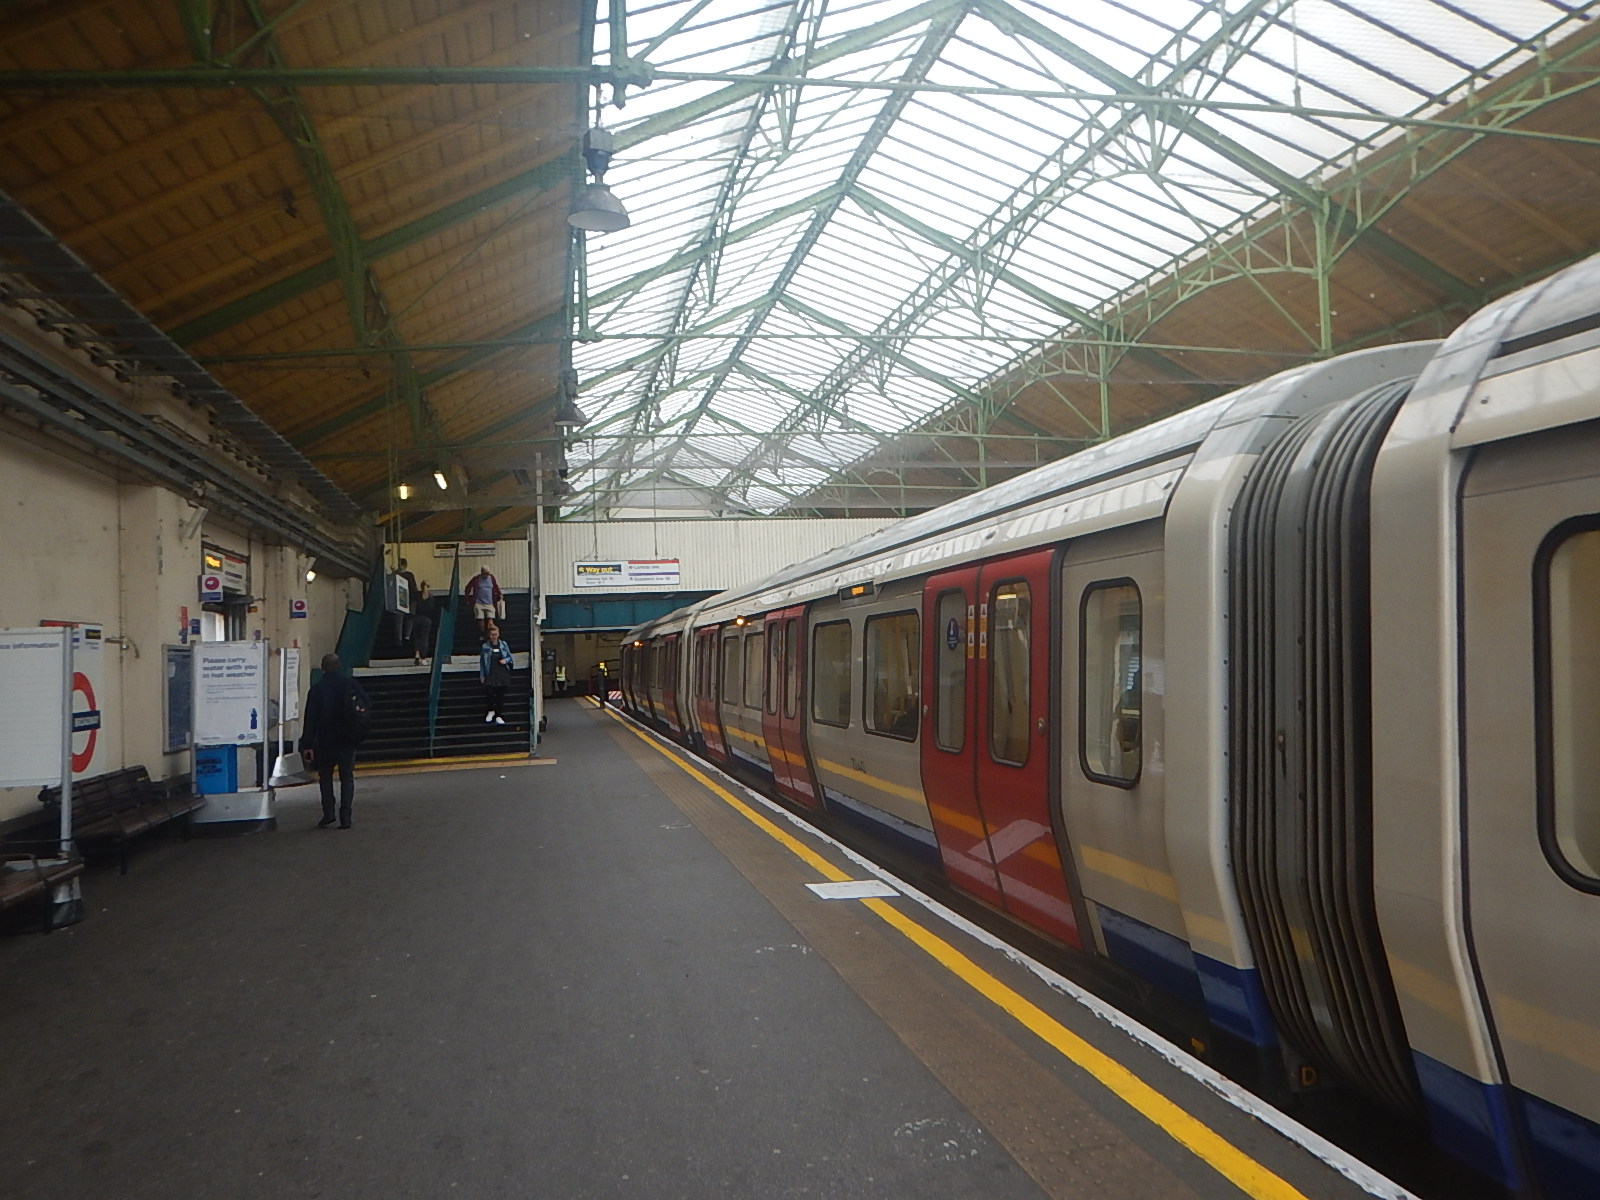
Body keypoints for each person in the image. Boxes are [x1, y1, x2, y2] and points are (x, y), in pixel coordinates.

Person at [300, 652, 369, 829]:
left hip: (325, 741)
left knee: (325, 777)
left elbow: (310, 719)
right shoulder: (350, 684)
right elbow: (366, 703)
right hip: (347, 739)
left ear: (323, 668)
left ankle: (328, 812)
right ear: (338, 666)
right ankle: (346, 816)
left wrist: (307, 744)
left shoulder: (317, 689)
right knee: (347, 778)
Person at [480, 625, 514, 725]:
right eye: (492, 635)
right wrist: (482, 675)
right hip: (490, 672)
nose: (494, 636)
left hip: (502, 672)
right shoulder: (485, 646)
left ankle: (498, 714)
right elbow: (482, 662)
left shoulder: (503, 644)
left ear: (498, 634)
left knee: (500, 694)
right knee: (489, 692)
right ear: (489, 635)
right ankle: (491, 710)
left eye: (495, 634)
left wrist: (505, 660)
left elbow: (509, 657)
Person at [464, 564, 502, 635]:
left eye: (488, 573)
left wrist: (499, 594)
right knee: (480, 619)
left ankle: (489, 634)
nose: (487, 575)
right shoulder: (476, 579)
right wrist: (468, 599)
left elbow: (496, 586)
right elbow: (468, 588)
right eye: (485, 574)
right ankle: (483, 634)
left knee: (490, 619)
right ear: (482, 572)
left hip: (489, 602)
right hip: (479, 602)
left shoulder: (491, 578)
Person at [392, 558, 419, 647]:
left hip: (400, 598)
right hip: (411, 598)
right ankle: (407, 635)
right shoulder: (410, 575)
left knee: (399, 618)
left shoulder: (396, 575)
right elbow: (413, 587)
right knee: (410, 617)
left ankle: (398, 639)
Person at [411, 581, 435, 666]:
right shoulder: (430, 597)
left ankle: (417, 654)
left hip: (416, 618)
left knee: (417, 637)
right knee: (424, 638)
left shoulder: (417, 596)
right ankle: (423, 658)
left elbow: (413, 607)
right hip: (426, 619)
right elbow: (432, 609)